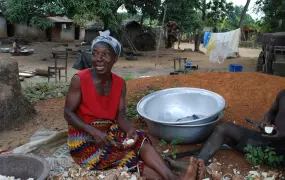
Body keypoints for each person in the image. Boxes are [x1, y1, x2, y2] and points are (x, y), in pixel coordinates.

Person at [64, 30, 206, 180]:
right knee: (126, 158)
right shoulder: (80, 80)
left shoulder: (119, 83)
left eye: (105, 54)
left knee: (139, 138)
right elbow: (68, 113)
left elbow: (120, 116)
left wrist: (129, 129)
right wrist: (94, 132)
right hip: (85, 137)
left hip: (108, 132)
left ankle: (172, 177)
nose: (98, 59)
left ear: (115, 59)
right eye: (95, 54)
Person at [196, 89, 285, 164]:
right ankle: (198, 164)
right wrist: (266, 122)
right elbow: (271, 113)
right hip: (268, 142)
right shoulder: (282, 94)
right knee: (224, 128)